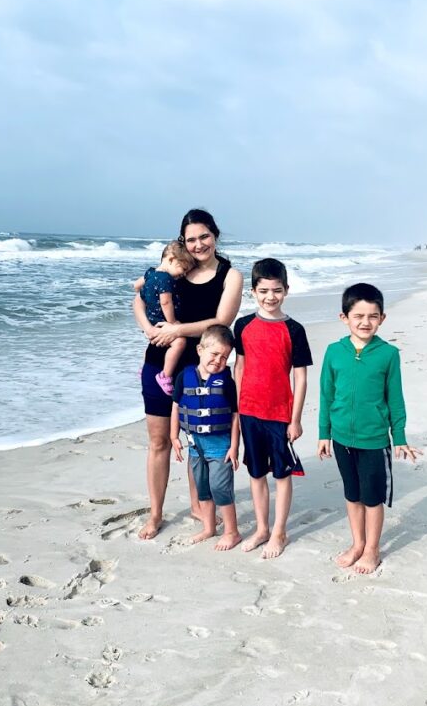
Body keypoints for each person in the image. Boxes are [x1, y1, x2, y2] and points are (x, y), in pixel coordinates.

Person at [133, 209, 244, 540]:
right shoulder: (177, 268)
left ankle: (200, 506)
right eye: (191, 239)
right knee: (158, 441)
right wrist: (149, 330)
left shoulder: (230, 275)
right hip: (161, 361)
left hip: (203, 370)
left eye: (204, 237)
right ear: (184, 242)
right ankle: (155, 514)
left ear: (215, 235)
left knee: (200, 440)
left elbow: (221, 322)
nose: (198, 245)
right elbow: (138, 300)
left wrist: (178, 329)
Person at [317, 283, 422, 574]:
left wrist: (398, 436)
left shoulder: (388, 354)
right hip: (341, 438)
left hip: (374, 440)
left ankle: (372, 549)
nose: (365, 322)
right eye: (358, 315)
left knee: (372, 497)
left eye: (372, 316)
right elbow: (326, 395)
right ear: (344, 317)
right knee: (352, 494)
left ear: (382, 318)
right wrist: (324, 433)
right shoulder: (334, 351)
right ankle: (357, 543)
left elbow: (395, 398)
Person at [233, 258, 311, 559]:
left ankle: (279, 531)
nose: (270, 297)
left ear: (286, 290)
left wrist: (296, 419)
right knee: (255, 473)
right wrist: (237, 411)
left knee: (281, 474)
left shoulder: (294, 330)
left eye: (276, 290)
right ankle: (262, 528)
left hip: (280, 414)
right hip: (250, 411)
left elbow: (300, 376)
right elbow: (239, 367)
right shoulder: (243, 325)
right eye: (263, 290)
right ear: (253, 291)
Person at [170, 324, 241, 550]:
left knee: (221, 488)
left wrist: (234, 447)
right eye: (214, 354)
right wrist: (174, 437)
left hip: (220, 446)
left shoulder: (226, 382)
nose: (218, 361)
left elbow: (234, 416)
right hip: (194, 445)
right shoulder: (184, 376)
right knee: (203, 488)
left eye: (224, 357)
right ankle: (209, 528)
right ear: (200, 349)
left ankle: (232, 532)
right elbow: (175, 406)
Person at [134, 241, 197, 395]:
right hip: (162, 322)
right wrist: (172, 323)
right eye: (183, 269)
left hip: (150, 321)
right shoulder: (166, 279)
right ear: (170, 259)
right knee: (179, 342)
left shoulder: (150, 272)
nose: (183, 274)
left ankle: (144, 369)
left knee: (152, 344)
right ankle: (165, 375)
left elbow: (136, 285)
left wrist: (145, 292)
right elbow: (166, 302)